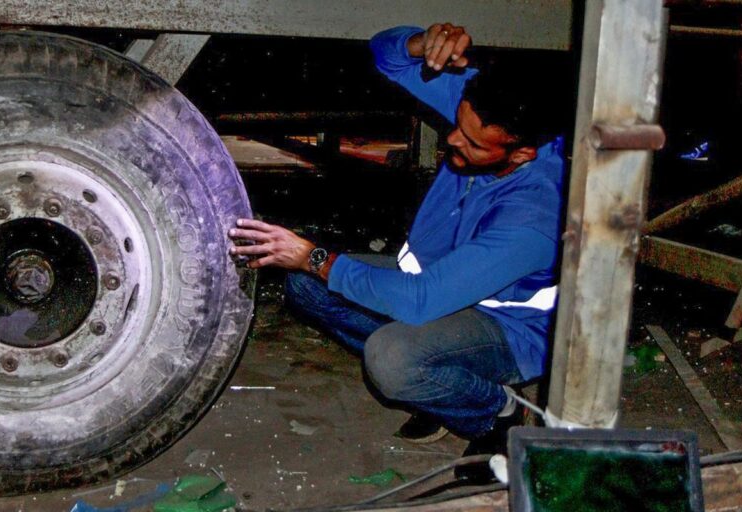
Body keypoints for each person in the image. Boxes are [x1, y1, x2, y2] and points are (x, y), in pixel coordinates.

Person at [227, 22, 566, 476]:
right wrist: (422, 43)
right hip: (441, 283)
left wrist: (313, 255)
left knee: (392, 357)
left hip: (507, 327)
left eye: (470, 142)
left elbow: (420, 299)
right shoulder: (483, 112)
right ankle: (439, 384)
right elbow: (386, 56)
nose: (451, 139)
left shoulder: (533, 216)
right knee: (307, 288)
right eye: (458, 125)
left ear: (522, 154)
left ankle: (498, 414)